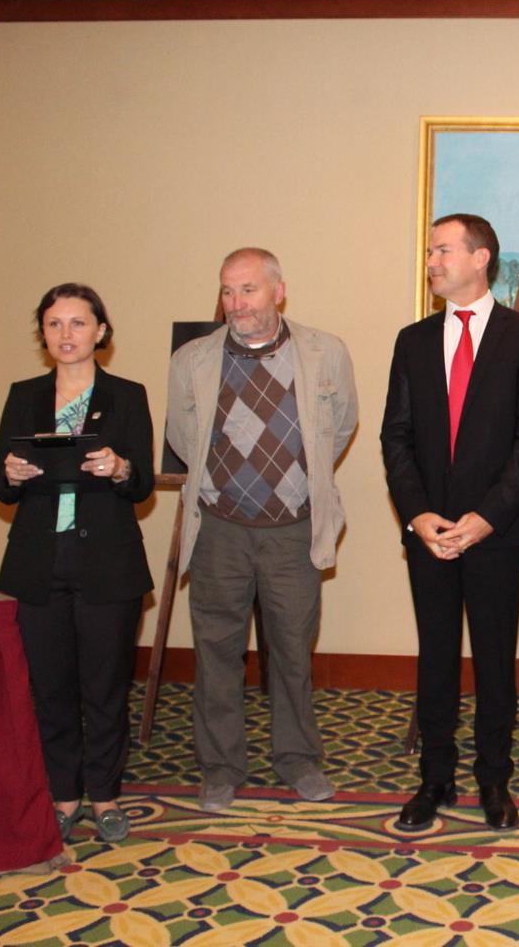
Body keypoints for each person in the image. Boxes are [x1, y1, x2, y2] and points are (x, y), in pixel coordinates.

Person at [166, 247, 359, 812]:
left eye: (248, 289)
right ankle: (221, 767)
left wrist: (293, 481)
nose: (236, 303)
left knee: (293, 650)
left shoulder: (325, 353)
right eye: (227, 291)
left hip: (293, 531)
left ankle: (297, 758)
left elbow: (340, 426)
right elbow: (181, 437)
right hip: (220, 529)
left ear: (279, 291)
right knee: (216, 651)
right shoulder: (192, 360)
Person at [381, 213, 519, 831]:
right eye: (430, 251)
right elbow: (396, 436)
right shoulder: (413, 340)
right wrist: (418, 514)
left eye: (443, 250)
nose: (431, 261)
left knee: (494, 660)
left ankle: (494, 778)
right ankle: (434, 778)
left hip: (496, 533)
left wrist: (486, 518)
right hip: (428, 532)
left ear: (481, 258)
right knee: (435, 658)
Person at [0, 284, 155, 844]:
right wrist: (10, 476)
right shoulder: (23, 396)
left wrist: (120, 468)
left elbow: (142, 483)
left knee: (105, 689)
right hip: (39, 561)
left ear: (100, 331)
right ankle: (63, 794)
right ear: (43, 333)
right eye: (54, 323)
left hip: (107, 561)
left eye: (78, 323)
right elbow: (1, 485)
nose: (66, 334)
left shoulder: (127, 396)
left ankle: (105, 794)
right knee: (51, 689)